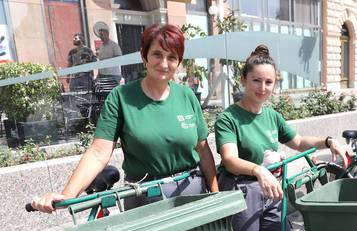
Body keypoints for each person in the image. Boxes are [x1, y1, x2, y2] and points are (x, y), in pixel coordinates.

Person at [31, 24, 218, 213]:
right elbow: (98, 153)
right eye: (157, 54)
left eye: (172, 57)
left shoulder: (186, 96)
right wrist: (67, 195)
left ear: (179, 62)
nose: (164, 64)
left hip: (192, 194)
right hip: (146, 198)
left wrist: (216, 196)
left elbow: (202, 150)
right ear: (144, 56)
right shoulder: (121, 98)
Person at [215, 45, 348, 231]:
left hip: (271, 188)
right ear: (243, 79)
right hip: (242, 190)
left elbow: (298, 141)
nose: (262, 88)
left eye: (269, 82)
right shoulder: (229, 118)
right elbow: (229, 160)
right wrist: (258, 169)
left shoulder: (272, 116)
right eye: (256, 81)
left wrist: (328, 140)